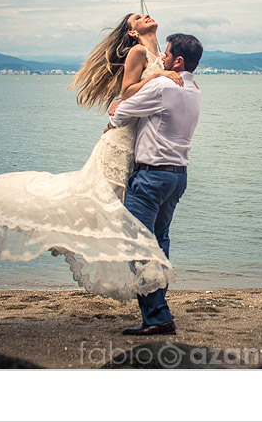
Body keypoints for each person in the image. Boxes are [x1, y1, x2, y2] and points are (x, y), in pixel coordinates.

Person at [0, 13, 188, 302]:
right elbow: (128, 91)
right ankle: (143, 291)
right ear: (132, 32)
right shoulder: (139, 52)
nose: (144, 15)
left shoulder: (162, 56)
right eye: (136, 17)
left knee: (118, 211)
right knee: (98, 201)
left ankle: (152, 294)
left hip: (139, 145)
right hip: (121, 143)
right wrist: (157, 77)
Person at [106, 33, 203, 336]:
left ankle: (158, 316)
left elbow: (121, 111)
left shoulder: (163, 85)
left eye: (166, 55)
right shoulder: (194, 90)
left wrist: (116, 111)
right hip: (178, 176)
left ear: (178, 61)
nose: (161, 59)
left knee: (136, 243)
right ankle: (159, 312)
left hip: (151, 177)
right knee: (159, 242)